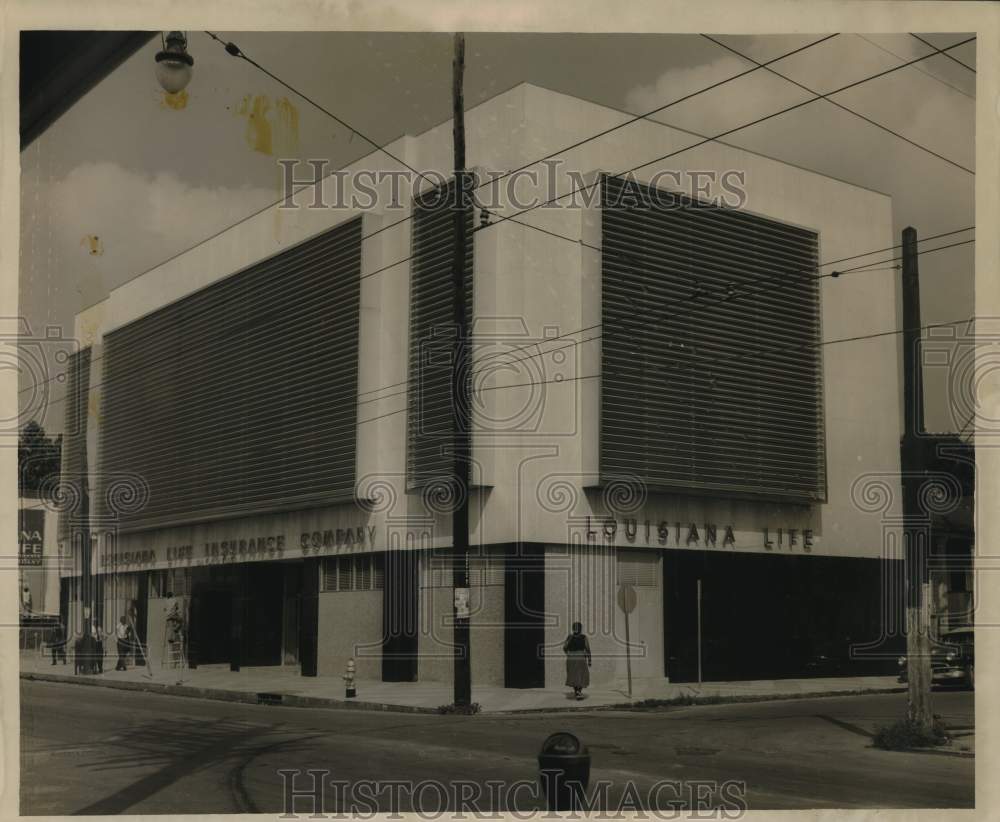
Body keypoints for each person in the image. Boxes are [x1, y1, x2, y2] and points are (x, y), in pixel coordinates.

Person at [563, 621, 592, 700]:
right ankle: (578, 692)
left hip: (572, 658)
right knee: (581, 675)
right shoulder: (584, 637)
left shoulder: (570, 637)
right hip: (580, 658)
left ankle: (577, 692)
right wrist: (589, 660)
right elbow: (588, 649)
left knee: (574, 676)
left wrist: (569, 654)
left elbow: (565, 648)